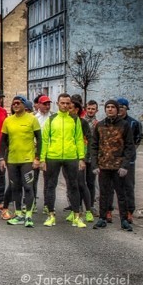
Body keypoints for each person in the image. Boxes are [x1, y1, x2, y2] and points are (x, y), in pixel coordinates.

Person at [40, 93, 86, 228]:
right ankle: (51, 215)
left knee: (73, 185)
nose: (65, 106)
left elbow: (79, 139)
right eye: (62, 103)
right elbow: (45, 139)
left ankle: (76, 216)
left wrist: (81, 158)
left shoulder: (75, 119)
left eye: (67, 103)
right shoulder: (52, 119)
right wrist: (42, 158)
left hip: (71, 157)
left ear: (70, 104)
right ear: (58, 103)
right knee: (50, 186)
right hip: (52, 156)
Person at [90, 100, 134, 231]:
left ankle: (124, 220)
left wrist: (125, 165)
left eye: (112, 107)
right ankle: (102, 218)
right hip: (103, 166)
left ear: (117, 109)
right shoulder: (100, 125)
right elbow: (94, 146)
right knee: (103, 194)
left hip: (118, 167)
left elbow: (129, 146)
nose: (110, 109)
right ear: (105, 109)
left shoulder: (124, 125)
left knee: (121, 194)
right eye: (107, 107)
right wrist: (94, 165)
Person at [0, 96, 41, 228]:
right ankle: (18, 215)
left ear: (24, 105)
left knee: (28, 187)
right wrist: (1, 158)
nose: (15, 105)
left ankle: (28, 215)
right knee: (15, 188)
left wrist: (37, 158)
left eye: (18, 103)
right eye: (14, 103)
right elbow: (3, 141)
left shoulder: (32, 119)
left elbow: (39, 139)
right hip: (12, 160)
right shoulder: (8, 120)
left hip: (27, 160)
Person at [115, 97, 143, 224]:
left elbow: (137, 139)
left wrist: (129, 153)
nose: (120, 110)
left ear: (126, 109)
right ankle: (108, 211)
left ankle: (129, 212)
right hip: (113, 159)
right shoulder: (111, 122)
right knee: (111, 187)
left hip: (128, 161)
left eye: (122, 107)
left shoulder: (133, 123)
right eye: (118, 107)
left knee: (128, 186)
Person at [84, 100, 99, 209]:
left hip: (92, 157)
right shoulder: (81, 122)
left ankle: (91, 206)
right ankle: (77, 206)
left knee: (91, 182)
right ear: (85, 109)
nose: (90, 111)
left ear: (96, 110)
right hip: (82, 156)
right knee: (79, 182)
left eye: (93, 109)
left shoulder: (98, 124)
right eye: (89, 108)